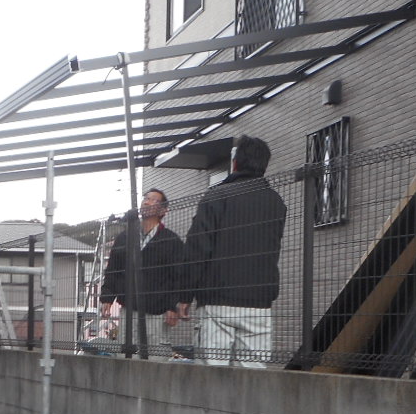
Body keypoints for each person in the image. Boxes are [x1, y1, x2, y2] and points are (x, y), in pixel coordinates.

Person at [177, 135, 287, 367]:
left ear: (235, 162)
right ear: (264, 165)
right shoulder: (275, 202)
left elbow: (197, 248)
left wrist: (185, 295)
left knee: (213, 373)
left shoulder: (217, 195)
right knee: (253, 374)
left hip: (218, 299)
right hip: (258, 301)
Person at [100, 188, 186, 355]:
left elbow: (178, 276)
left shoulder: (171, 240)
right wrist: (107, 297)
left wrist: (173, 306)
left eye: (154, 200)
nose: (147, 202)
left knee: (155, 358)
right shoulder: (125, 237)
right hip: (129, 309)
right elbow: (113, 269)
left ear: (163, 210)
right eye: (146, 198)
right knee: (127, 356)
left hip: (157, 311)